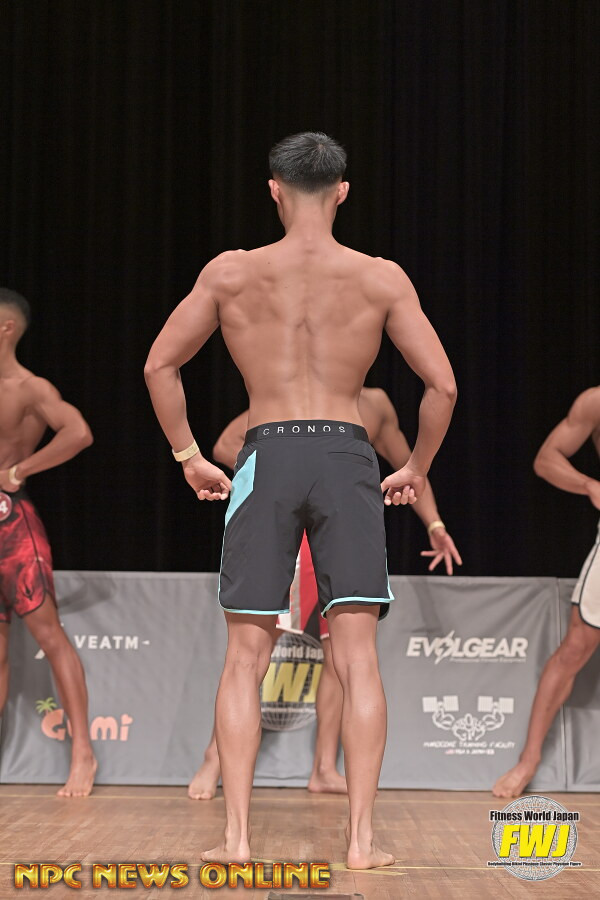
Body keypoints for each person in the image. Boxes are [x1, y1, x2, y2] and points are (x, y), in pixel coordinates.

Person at [145, 132, 456, 868]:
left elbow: (160, 365)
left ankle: (236, 839)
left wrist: (189, 456)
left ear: (274, 190)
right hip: (347, 454)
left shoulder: (231, 273)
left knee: (243, 657)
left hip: (267, 452)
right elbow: (442, 385)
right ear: (343, 191)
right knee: (358, 659)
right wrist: (415, 466)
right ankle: (360, 843)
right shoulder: (380, 277)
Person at [188, 386, 462, 801]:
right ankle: (214, 758)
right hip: (289, 524)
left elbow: (410, 465)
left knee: (341, 649)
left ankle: (323, 767)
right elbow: (227, 443)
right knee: (257, 644)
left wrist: (435, 524)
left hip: (337, 521)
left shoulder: (376, 404)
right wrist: (281, 475)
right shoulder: (297, 389)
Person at [0, 288, 96, 797]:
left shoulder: (30, 387)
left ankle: (83, 753)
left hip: (13, 525)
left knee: (50, 637)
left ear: (6, 328)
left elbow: (78, 432)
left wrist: (19, 470)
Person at [493, 386, 600, 798]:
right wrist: (588, 484)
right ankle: (528, 761)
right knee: (575, 647)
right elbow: (546, 459)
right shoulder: (594, 401)